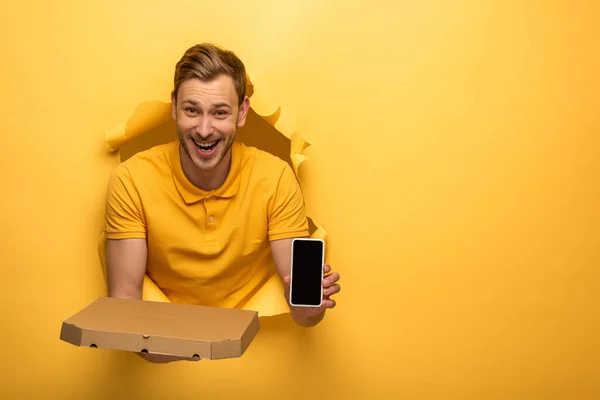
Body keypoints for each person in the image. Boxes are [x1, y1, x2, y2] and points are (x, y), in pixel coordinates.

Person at [103, 43, 341, 362]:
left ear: (242, 112)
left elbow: (304, 315)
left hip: (254, 356)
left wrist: (308, 308)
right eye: (191, 110)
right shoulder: (131, 179)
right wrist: (206, 349)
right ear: (174, 107)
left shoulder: (275, 177)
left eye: (219, 112)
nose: (204, 130)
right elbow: (125, 314)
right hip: (163, 357)